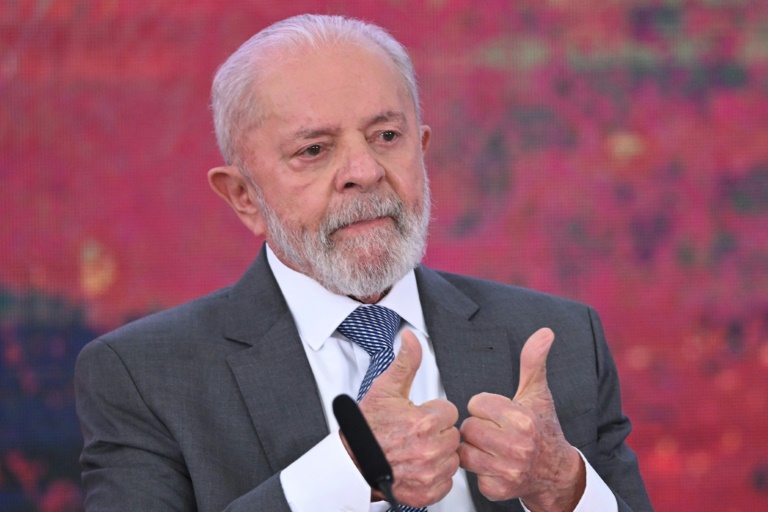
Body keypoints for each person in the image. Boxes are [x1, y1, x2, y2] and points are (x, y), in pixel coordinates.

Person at [75, 13, 653, 512]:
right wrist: (348, 470)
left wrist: (562, 486)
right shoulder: (142, 376)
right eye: (313, 150)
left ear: (421, 151)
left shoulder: (559, 339)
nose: (365, 171)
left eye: (386, 136)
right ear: (244, 197)